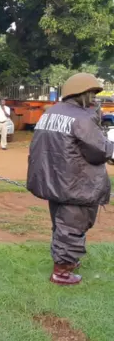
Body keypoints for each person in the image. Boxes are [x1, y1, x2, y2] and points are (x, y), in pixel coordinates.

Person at [27, 72, 114, 286]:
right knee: (73, 226)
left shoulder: (51, 113)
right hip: (76, 184)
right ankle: (62, 272)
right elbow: (98, 151)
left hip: (54, 180)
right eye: (91, 94)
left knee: (61, 224)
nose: (94, 99)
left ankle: (66, 261)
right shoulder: (82, 118)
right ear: (80, 94)